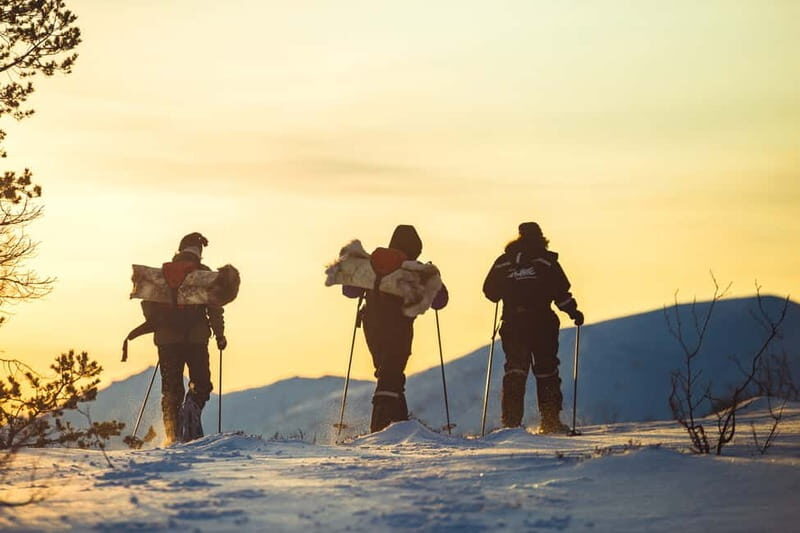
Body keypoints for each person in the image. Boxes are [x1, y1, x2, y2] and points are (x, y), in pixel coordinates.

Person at [343, 225, 448, 432]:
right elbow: (440, 301)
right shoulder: (415, 268)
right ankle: (380, 431)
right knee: (391, 375)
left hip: (371, 327)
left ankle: (399, 428)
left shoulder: (373, 265)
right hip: (399, 327)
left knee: (388, 374)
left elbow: (349, 291)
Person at [482, 222, 584, 434]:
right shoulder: (546, 261)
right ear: (541, 237)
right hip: (542, 323)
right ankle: (550, 422)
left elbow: (490, 292)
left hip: (513, 323)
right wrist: (574, 313)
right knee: (546, 371)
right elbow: (561, 293)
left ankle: (511, 424)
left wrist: (509, 288)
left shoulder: (503, 262)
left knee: (515, 371)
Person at [142, 232, 227, 444]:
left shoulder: (162, 274)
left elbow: (147, 303)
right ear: (199, 252)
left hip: (167, 340)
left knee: (170, 390)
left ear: (180, 249)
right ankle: (191, 410)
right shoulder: (204, 275)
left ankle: (173, 435)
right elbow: (215, 308)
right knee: (202, 384)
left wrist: (159, 324)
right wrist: (219, 335)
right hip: (196, 339)